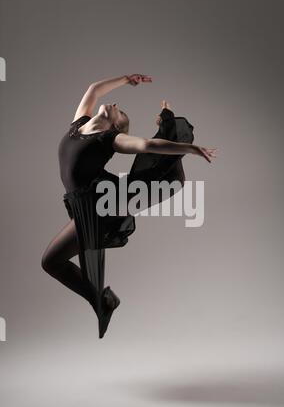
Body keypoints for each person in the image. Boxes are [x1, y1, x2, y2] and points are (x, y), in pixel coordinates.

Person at [41, 74, 217, 338]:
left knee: (51, 261)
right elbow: (94, 88)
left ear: (116, 125)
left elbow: (147, 144)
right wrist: (126, 79)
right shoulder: (79, 123)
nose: (114, 104)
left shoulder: (108, 140)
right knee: (52, 262)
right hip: (84, 206)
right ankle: (103, 300)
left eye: (119, 111)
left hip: (101, 209)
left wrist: (190, 148)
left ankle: (103, 301)